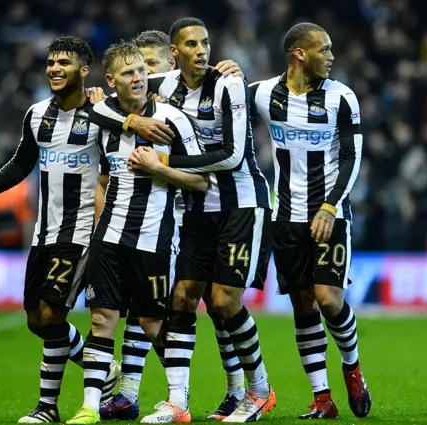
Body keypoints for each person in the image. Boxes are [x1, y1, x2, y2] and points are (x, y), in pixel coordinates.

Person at [91, 17, 276, 424]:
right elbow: (110, 101)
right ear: (175, 54)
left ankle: (259, 390)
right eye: (191, 44)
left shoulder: (227, 84)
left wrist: (165, 161)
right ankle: (178, 402)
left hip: (241, 203)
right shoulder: (167, 85)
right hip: (197, 207)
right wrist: (128, 120)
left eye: (205, 43)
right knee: (180, 299)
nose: (201, 51)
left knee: (226, 302)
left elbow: (232, 155)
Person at [0, 35, 118, 424]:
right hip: (44, 232)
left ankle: (47, 406)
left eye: (64, 63)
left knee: (52, 313)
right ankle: (91, 370)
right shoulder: (36, 114)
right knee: (37, 319)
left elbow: (115, 170)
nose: (54, 68)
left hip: (81, 231)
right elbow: (22, 162)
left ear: (84, 72)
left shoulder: (102, 114)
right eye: (51, 62)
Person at [66, 41, 209, 425]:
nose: (138, 79)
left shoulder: (173, 119)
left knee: (151, 321)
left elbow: (201, 180)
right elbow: (102, 176)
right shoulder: (103, 118)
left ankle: (178, 401)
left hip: (154, 238)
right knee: (101, 320)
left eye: (142, 71)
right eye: (128, 73)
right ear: (111, 80)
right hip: (109, 236)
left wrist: (158, 169)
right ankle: (90, 407)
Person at [248, 22, 371, 419]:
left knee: (328, 299)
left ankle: (352, 368)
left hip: (329, 214)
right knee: (303, 307)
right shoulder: (265, 93)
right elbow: (220, 101)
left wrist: (331, 205)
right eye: (324, 49)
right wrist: (226, 72)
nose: (331, 56)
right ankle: (322, 398)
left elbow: (352, 158)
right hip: (285, 217)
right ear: (299, 53)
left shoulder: (342, 97)